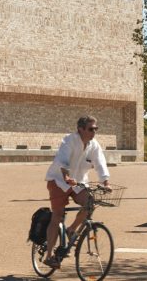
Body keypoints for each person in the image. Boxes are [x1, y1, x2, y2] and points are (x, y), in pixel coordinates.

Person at [41, 115, 112, 269]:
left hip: (78, 182)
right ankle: (49, 256)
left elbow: (100, 163)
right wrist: (66, 176)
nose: (94, 132)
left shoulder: (94, 145)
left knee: (90, 204)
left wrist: (105, 182)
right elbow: (62, 159)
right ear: (80, 129)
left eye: (96, 129)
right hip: (58, 180)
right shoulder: (69, 140)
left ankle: (71, 229)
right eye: (91, 129)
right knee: (57, 216)